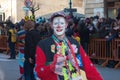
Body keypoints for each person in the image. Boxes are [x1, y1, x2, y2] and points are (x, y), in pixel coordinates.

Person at [34, 12, 103, 80]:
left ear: (66, 25)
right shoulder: (43, 45)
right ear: (51, 25)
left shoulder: (74, 42)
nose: (59, 26)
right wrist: (51, 67)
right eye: (55, 23)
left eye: (62, 23)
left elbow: (87, 66)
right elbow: (38, 72)